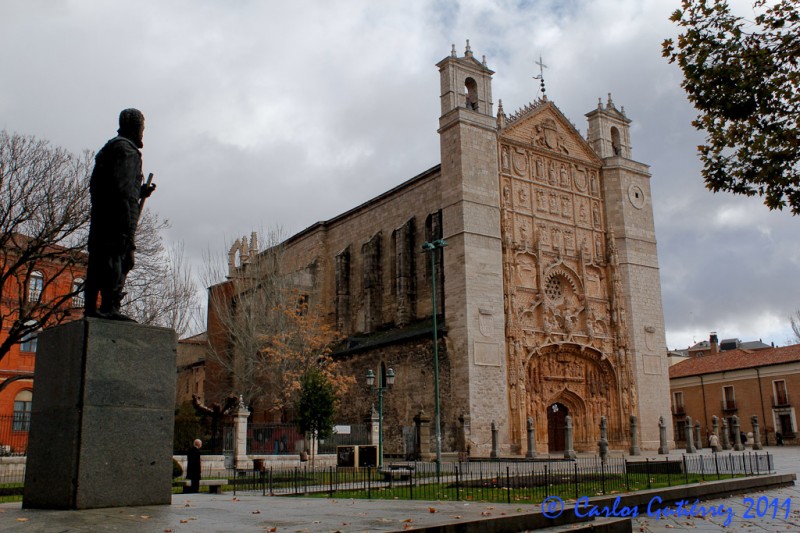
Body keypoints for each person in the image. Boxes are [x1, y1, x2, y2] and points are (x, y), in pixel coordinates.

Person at [84, 108, 155, 320]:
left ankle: (91, 308)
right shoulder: (127, 151)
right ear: (135, 127)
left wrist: (140, 192)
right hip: (118, 219)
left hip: (102, 218)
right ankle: (110, 307)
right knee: (119, 260)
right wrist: (125, 226)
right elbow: (123, 191)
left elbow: (105, 185)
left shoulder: (109, 150)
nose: (142, 132)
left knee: (98, 263)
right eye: (142, 127)